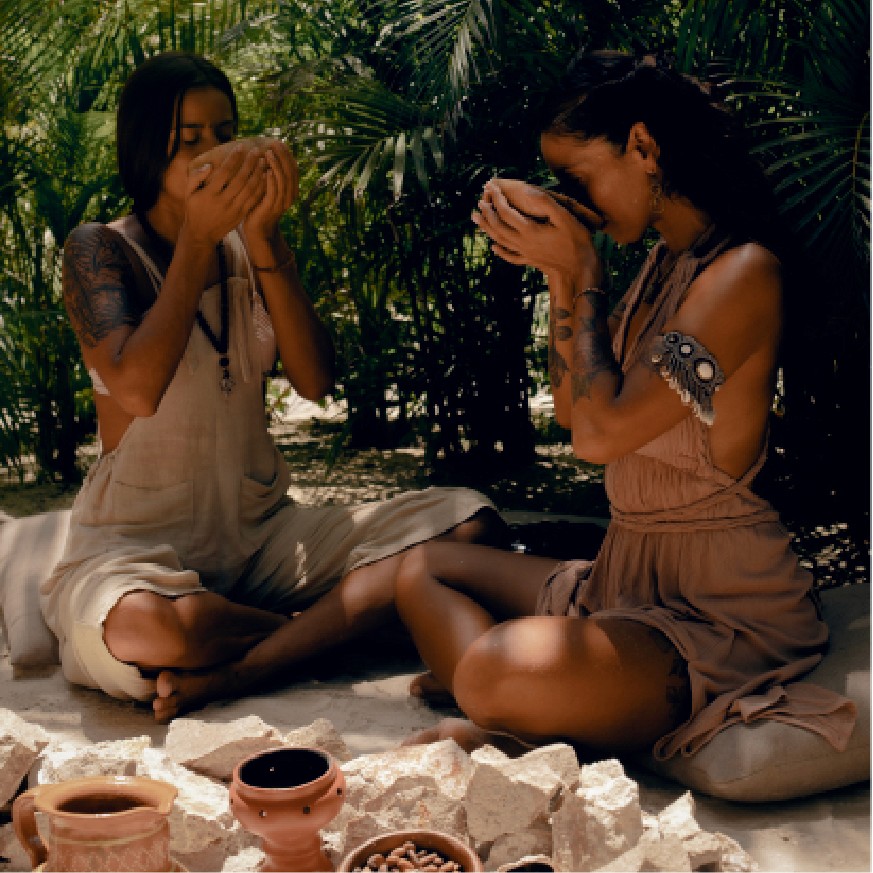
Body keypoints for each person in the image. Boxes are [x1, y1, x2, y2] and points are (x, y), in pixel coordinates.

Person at [393, 51, 856, 759]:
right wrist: (559, 278)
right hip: (620, 572)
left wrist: (581, 271)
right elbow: (577, 412)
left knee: (491, 664)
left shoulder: (738, 279)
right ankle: (528, 708)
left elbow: (601, 435)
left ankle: (507, 708)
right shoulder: (658, 264)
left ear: (641, 147)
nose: (570, 198)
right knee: (421, 569)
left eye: (575, 176)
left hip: (714, 608)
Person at [42, 51, 507, 723]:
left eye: (224, 131)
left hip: (264, 537)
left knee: (469, 523)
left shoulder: (241, 247)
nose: (214, 152)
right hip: (134, 547)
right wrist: (200, 239)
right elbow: (137, 390)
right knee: (155, 630)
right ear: (147, 147)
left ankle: (268, 644)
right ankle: (324, 628)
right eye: (189, 138)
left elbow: (315, 380)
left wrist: (262, 234)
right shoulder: (99, 249)